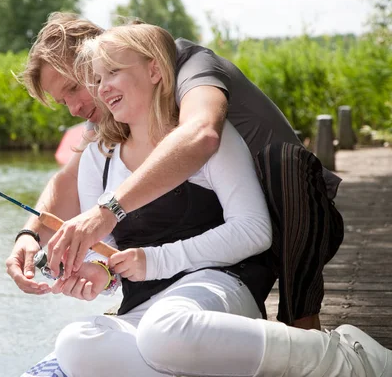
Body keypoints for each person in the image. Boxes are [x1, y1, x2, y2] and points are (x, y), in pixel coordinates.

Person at [51, 23, 391, 377]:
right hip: (146, 307)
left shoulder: (210, 137)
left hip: (217, 285)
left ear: (154, 69)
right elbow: (105, 251)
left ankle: (347, 356)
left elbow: (255, 231)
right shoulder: (98, 156)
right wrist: (99, 274)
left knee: (164, 332)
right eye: (98, 78)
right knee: (76, 343)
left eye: (113, 72)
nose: (102, 88)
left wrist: (155, 261)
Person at [7, 12, 344, 329]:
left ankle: (304, 329)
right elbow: (67, 180)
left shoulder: (189, 65)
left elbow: (201, 133)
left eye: (73, 89)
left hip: (295, 219)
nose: (74, 108)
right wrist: (29, 236)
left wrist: (108, 210)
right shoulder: (115, 111)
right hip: (223, 236)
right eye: (63, 102)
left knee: (283, 163)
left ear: (98, 55)